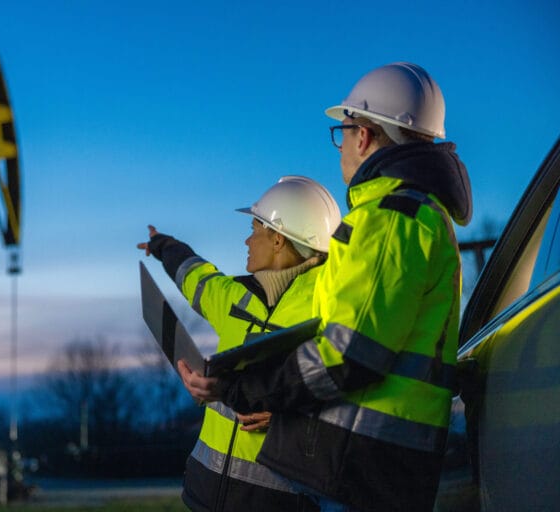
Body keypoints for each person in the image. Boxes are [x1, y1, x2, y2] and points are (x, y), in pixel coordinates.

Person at [177, 62, 473, 512]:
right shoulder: (414, 216)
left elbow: (349, 352)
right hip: (367, 464)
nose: (342, 148)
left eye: (343, 132)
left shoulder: (391, 218)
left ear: (364, 136)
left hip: (361, 469)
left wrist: (246, 390)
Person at [138, 176, 341, 512]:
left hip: (278, 502)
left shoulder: (332, 308)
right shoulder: (235, 296)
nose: (247, 240)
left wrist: (290, 421)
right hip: (204, 492)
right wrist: (163, 245)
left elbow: (354, 400)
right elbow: (194, 275)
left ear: (278, 239)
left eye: (254, 229)